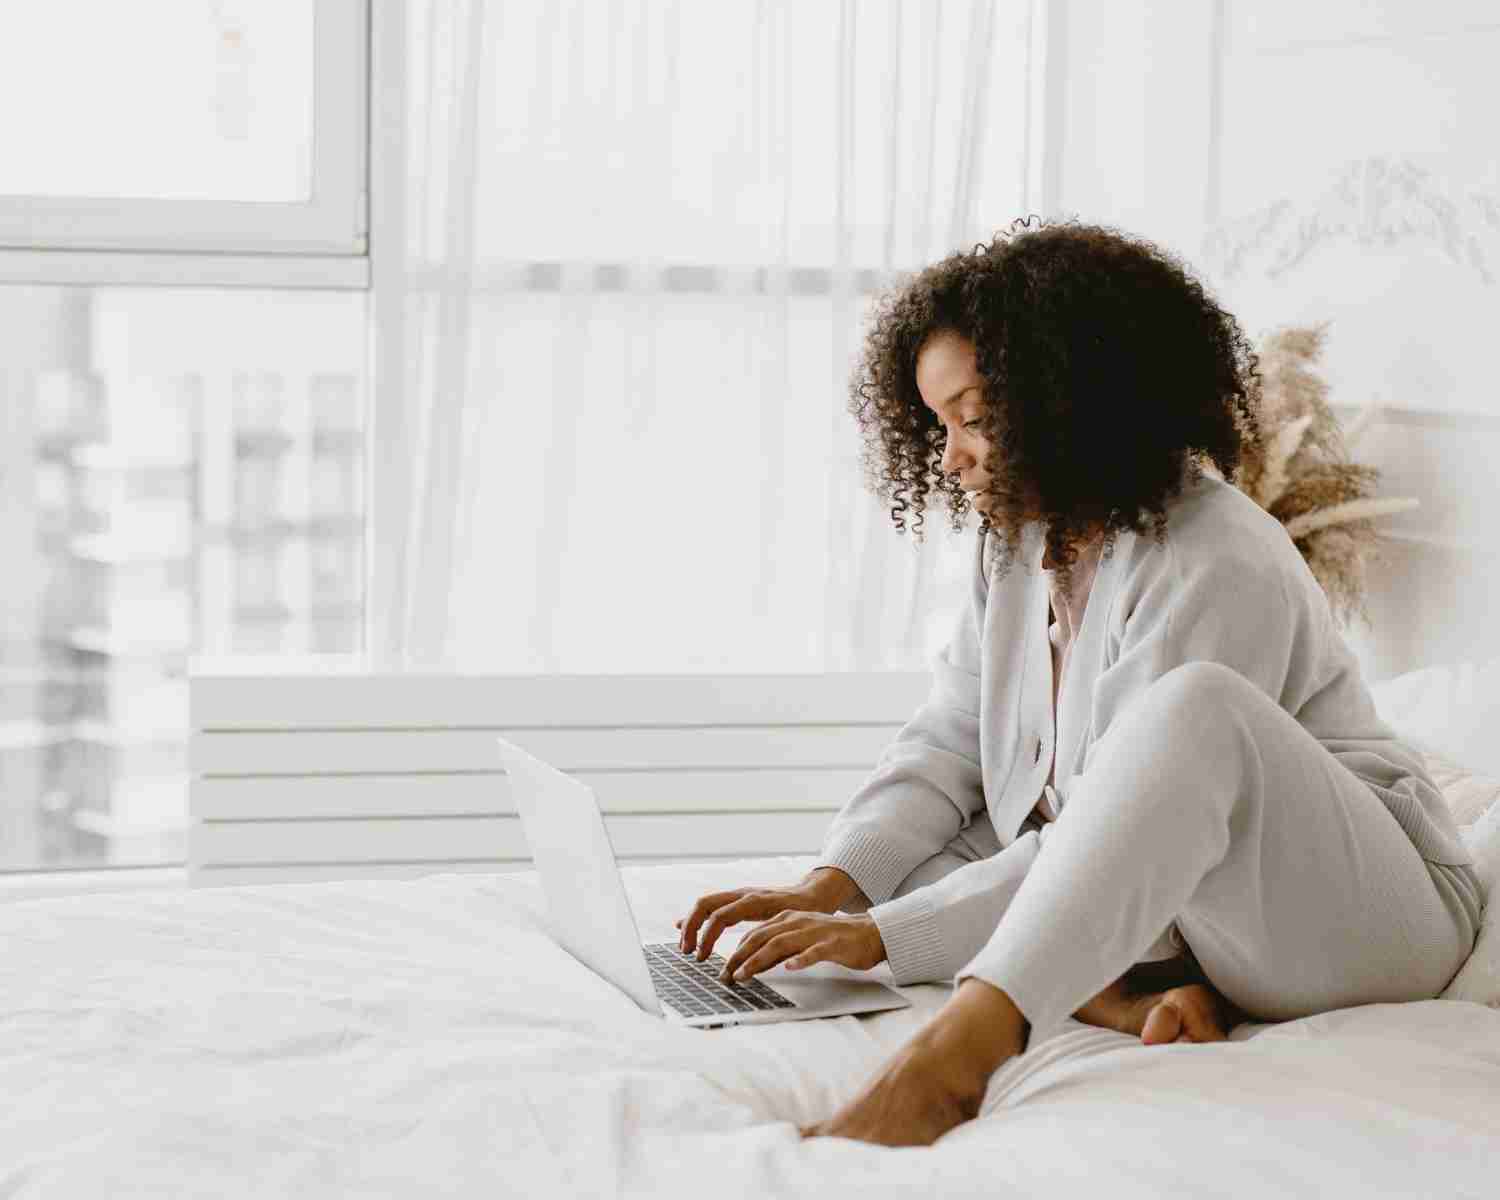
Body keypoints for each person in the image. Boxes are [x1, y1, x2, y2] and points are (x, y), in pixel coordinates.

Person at [675, 218, 1482, 1147]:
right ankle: (1121, 989)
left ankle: (954, 1060)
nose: (949, 457)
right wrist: (836, 888)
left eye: (974, 418)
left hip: (1374, 918)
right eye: (939, 424)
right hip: (1214, 920)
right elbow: (948, 743)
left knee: (1194, 711)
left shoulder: (1213, 553)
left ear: (1072, 396)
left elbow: (1107, 812)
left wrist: (885, 939)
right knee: (960, 851)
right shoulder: (1021, 543)